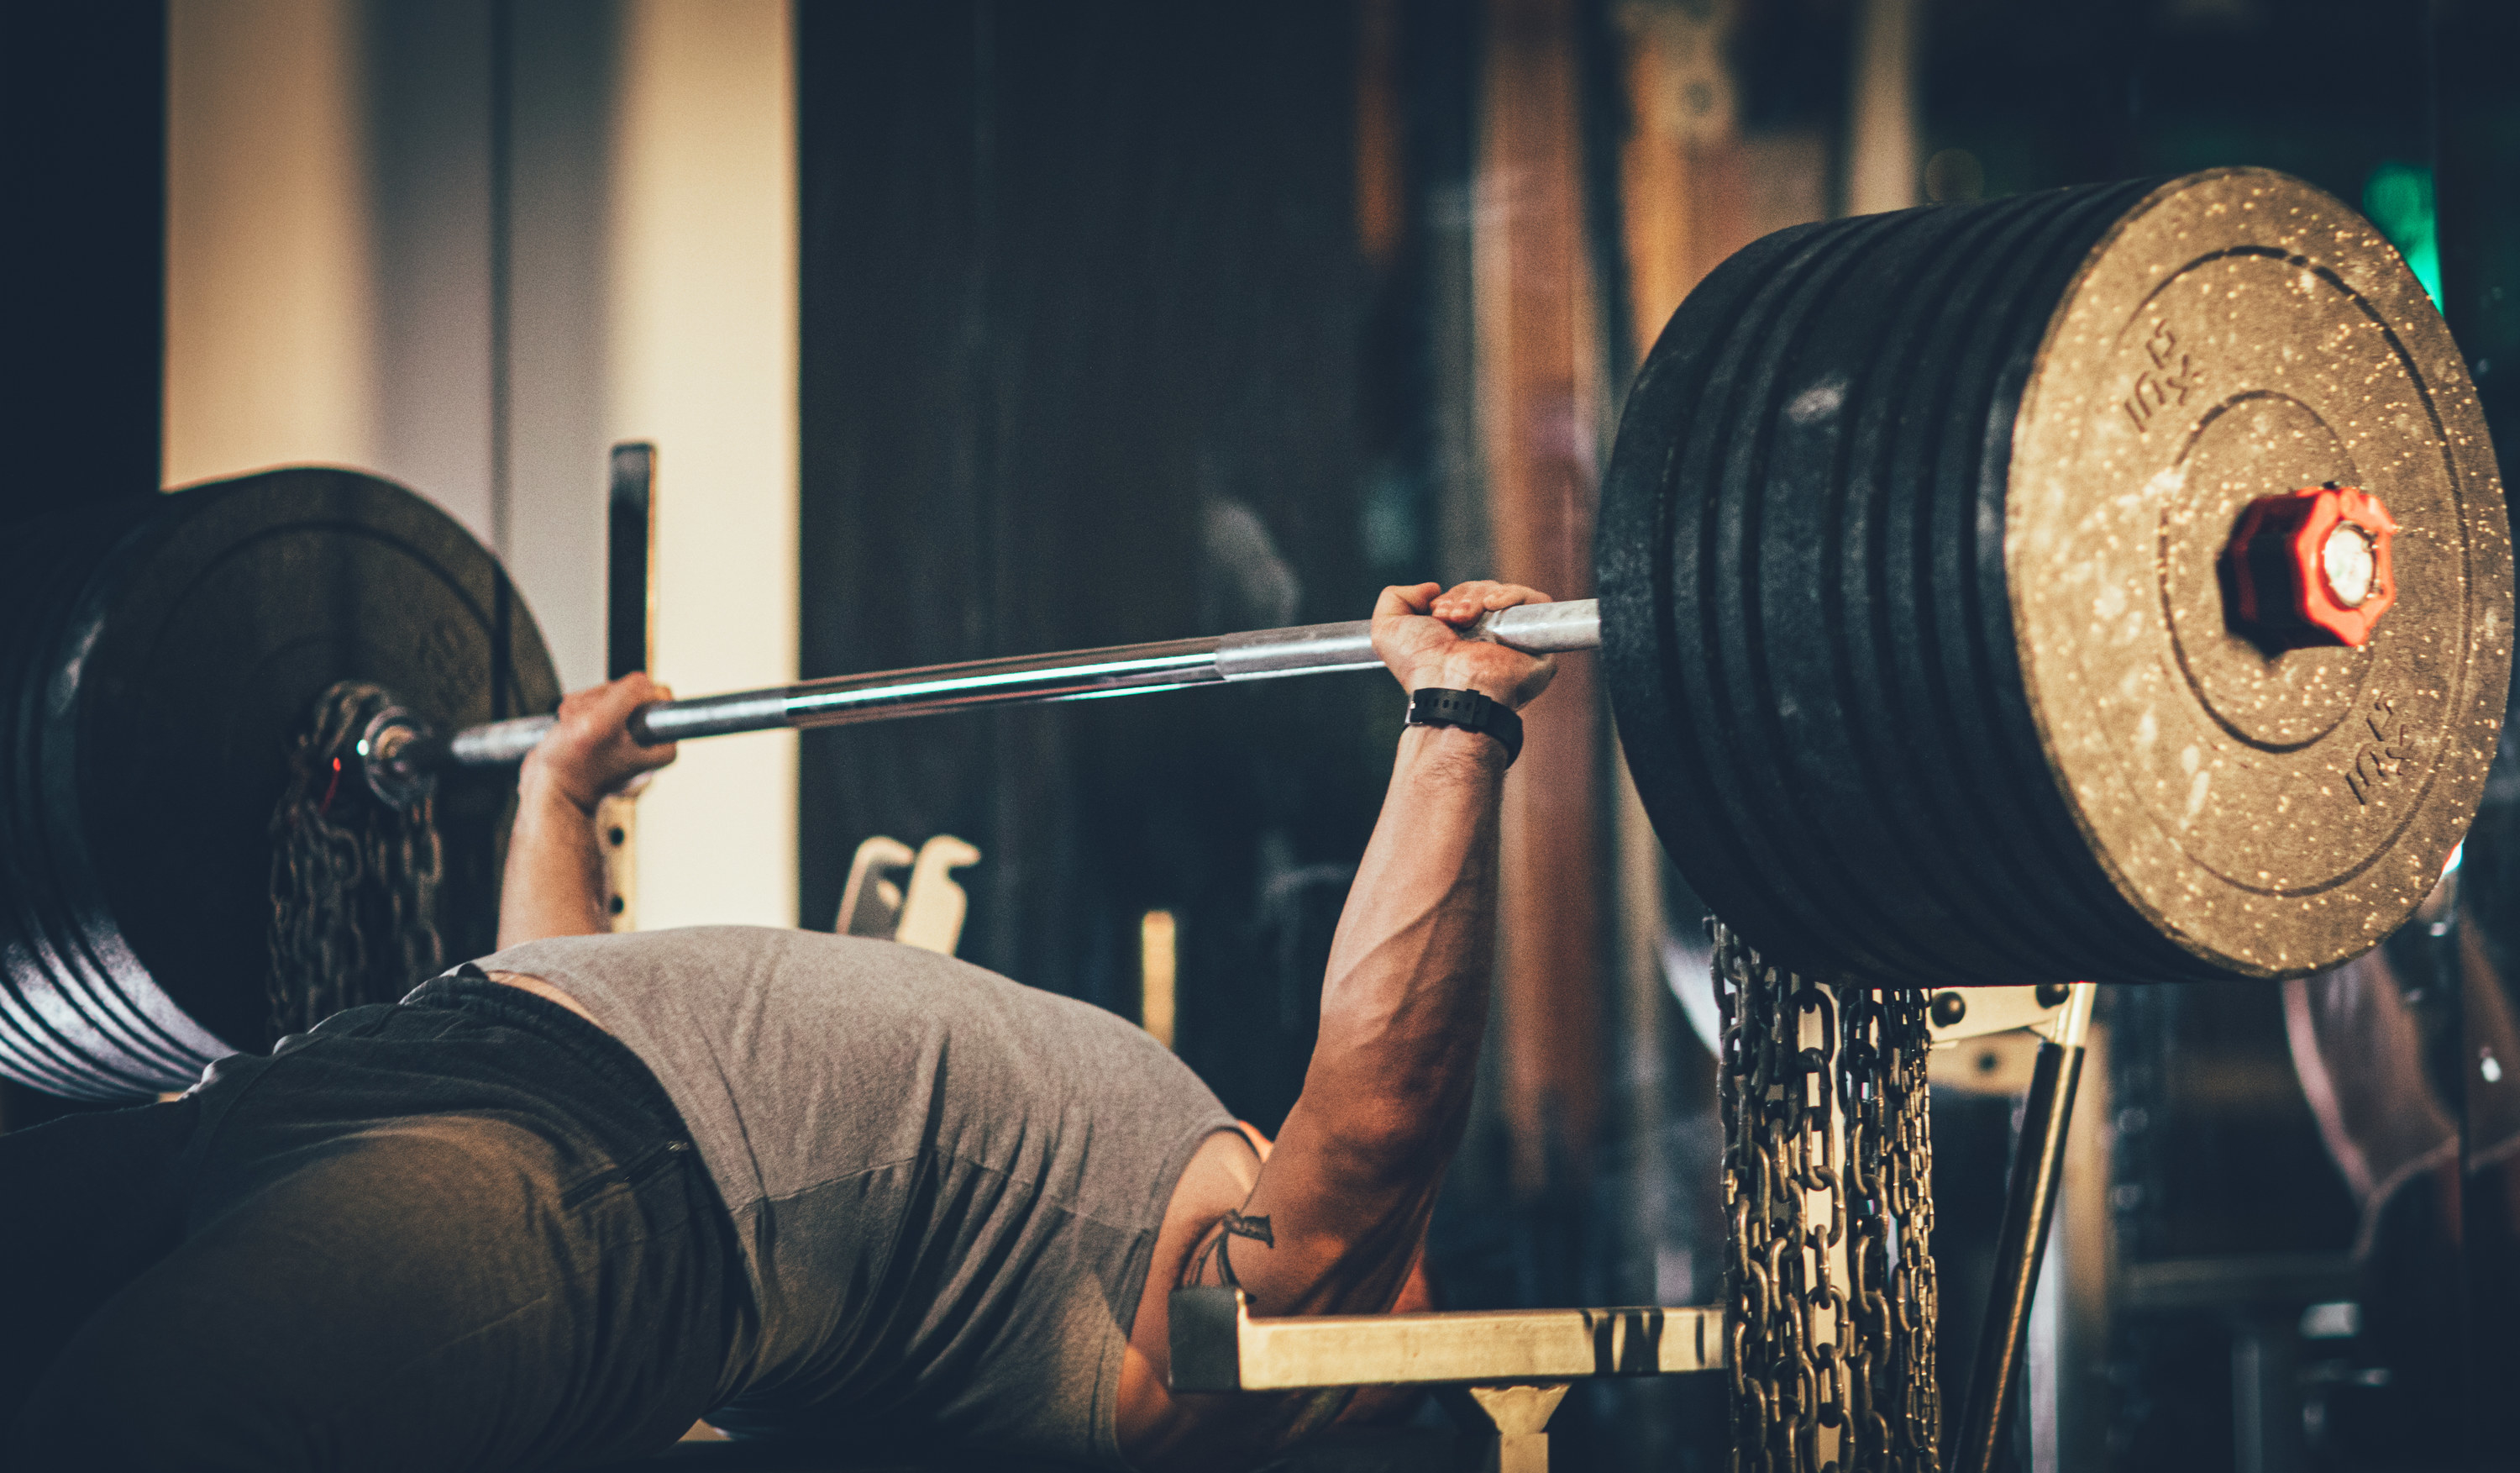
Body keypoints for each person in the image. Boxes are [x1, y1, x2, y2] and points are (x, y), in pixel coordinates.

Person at [1, 580, 1557, 1473]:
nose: (1404, 1272)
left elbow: (1375, 1121)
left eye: (1401, 1301)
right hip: (416, 1074)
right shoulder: (1171, 1183)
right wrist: (558, 792)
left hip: (623, 1202)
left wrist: (1458, 722)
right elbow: (599, 1009)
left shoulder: (1206, 1373)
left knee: (136, 1424)